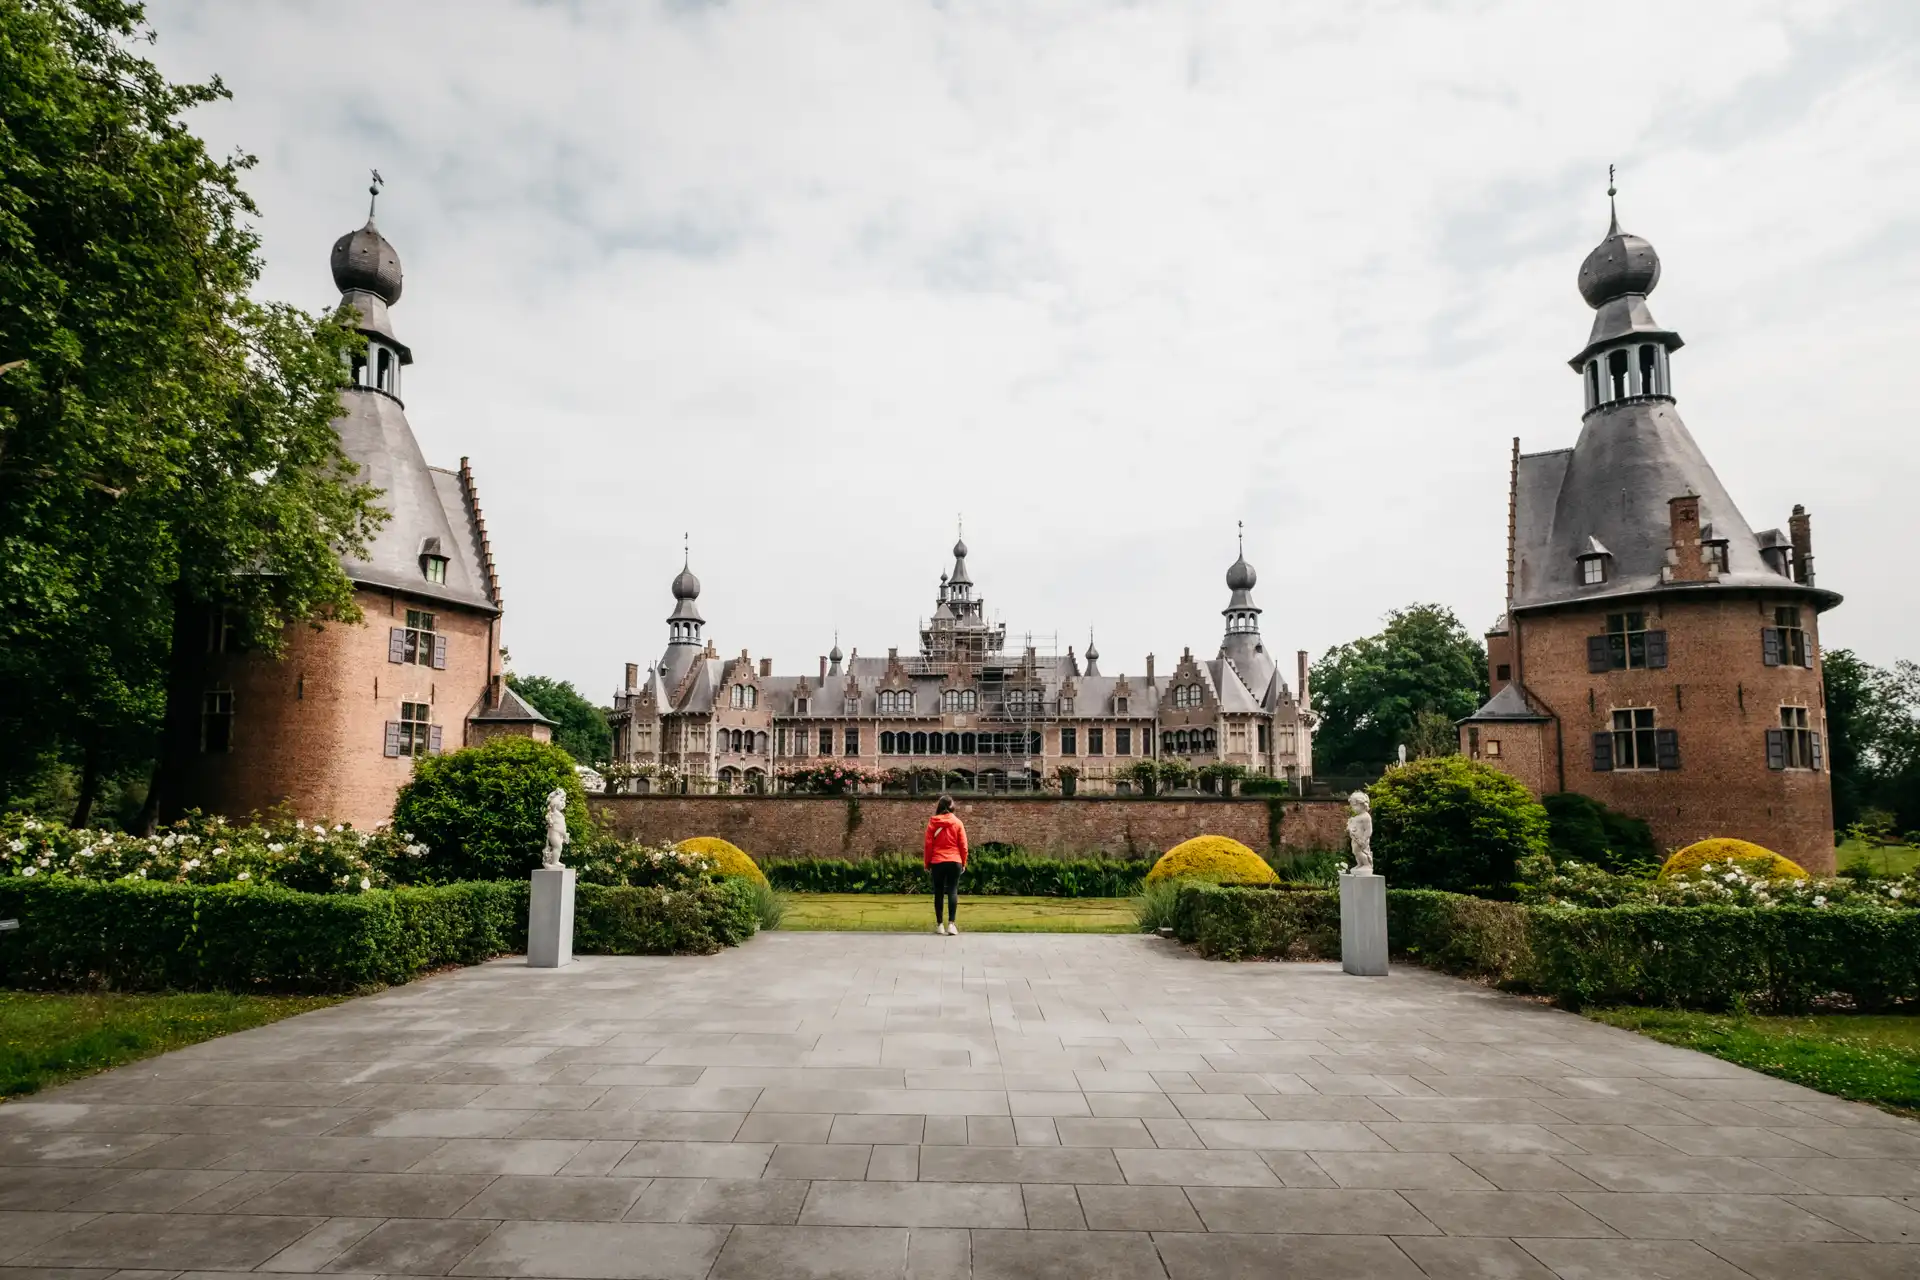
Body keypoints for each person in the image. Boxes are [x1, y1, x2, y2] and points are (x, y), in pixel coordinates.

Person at [922, 793, 969, 935]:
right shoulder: (958, 823)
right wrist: (964, 862)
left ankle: (940, 924)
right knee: (953, 890)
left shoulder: (933, 822)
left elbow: (928, 845)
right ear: (952, 806)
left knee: (939, 892)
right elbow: (963, 845)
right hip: (955, 860)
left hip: (937, 861)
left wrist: (927, 863)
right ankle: (952, 925)